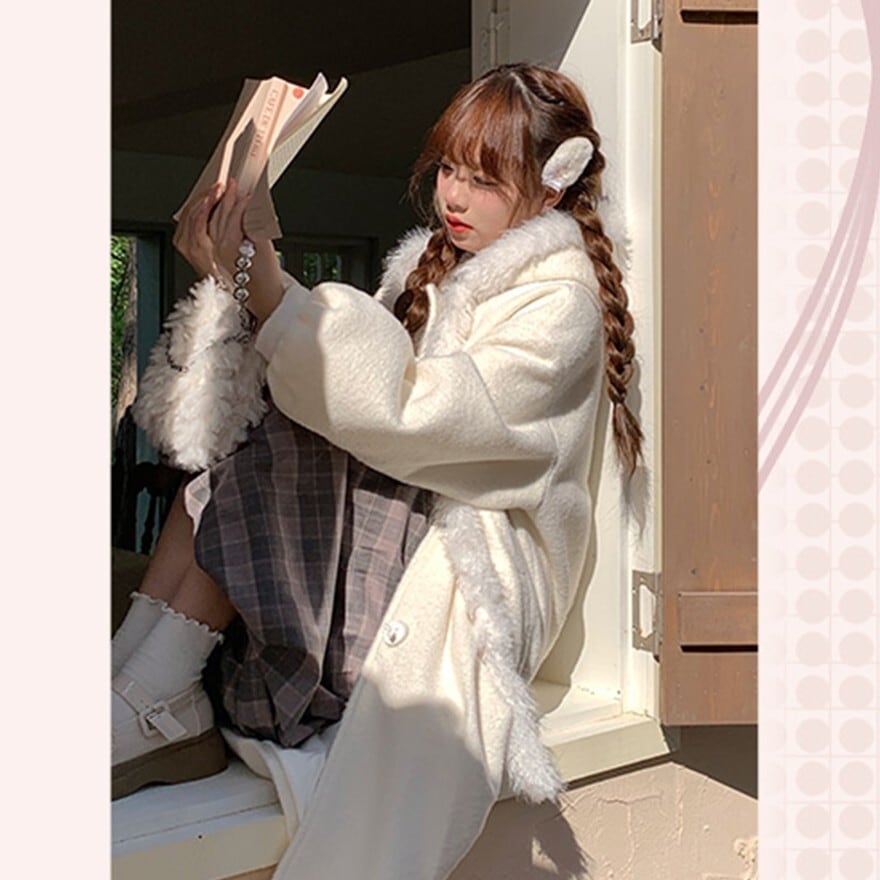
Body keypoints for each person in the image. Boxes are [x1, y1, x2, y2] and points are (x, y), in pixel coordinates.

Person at [111, 63, 642, 878]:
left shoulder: (560, 303)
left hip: (469, 564)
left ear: (555, 180)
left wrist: (269, 287)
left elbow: (415, 415)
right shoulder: (437, 266)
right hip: (406, 528)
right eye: (449, 170)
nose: (453, 197)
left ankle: (152, 695)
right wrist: (255, 274)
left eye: (484, 180)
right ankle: (140, 684)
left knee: (279, 445)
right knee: (242, 445)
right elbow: (368, 394)